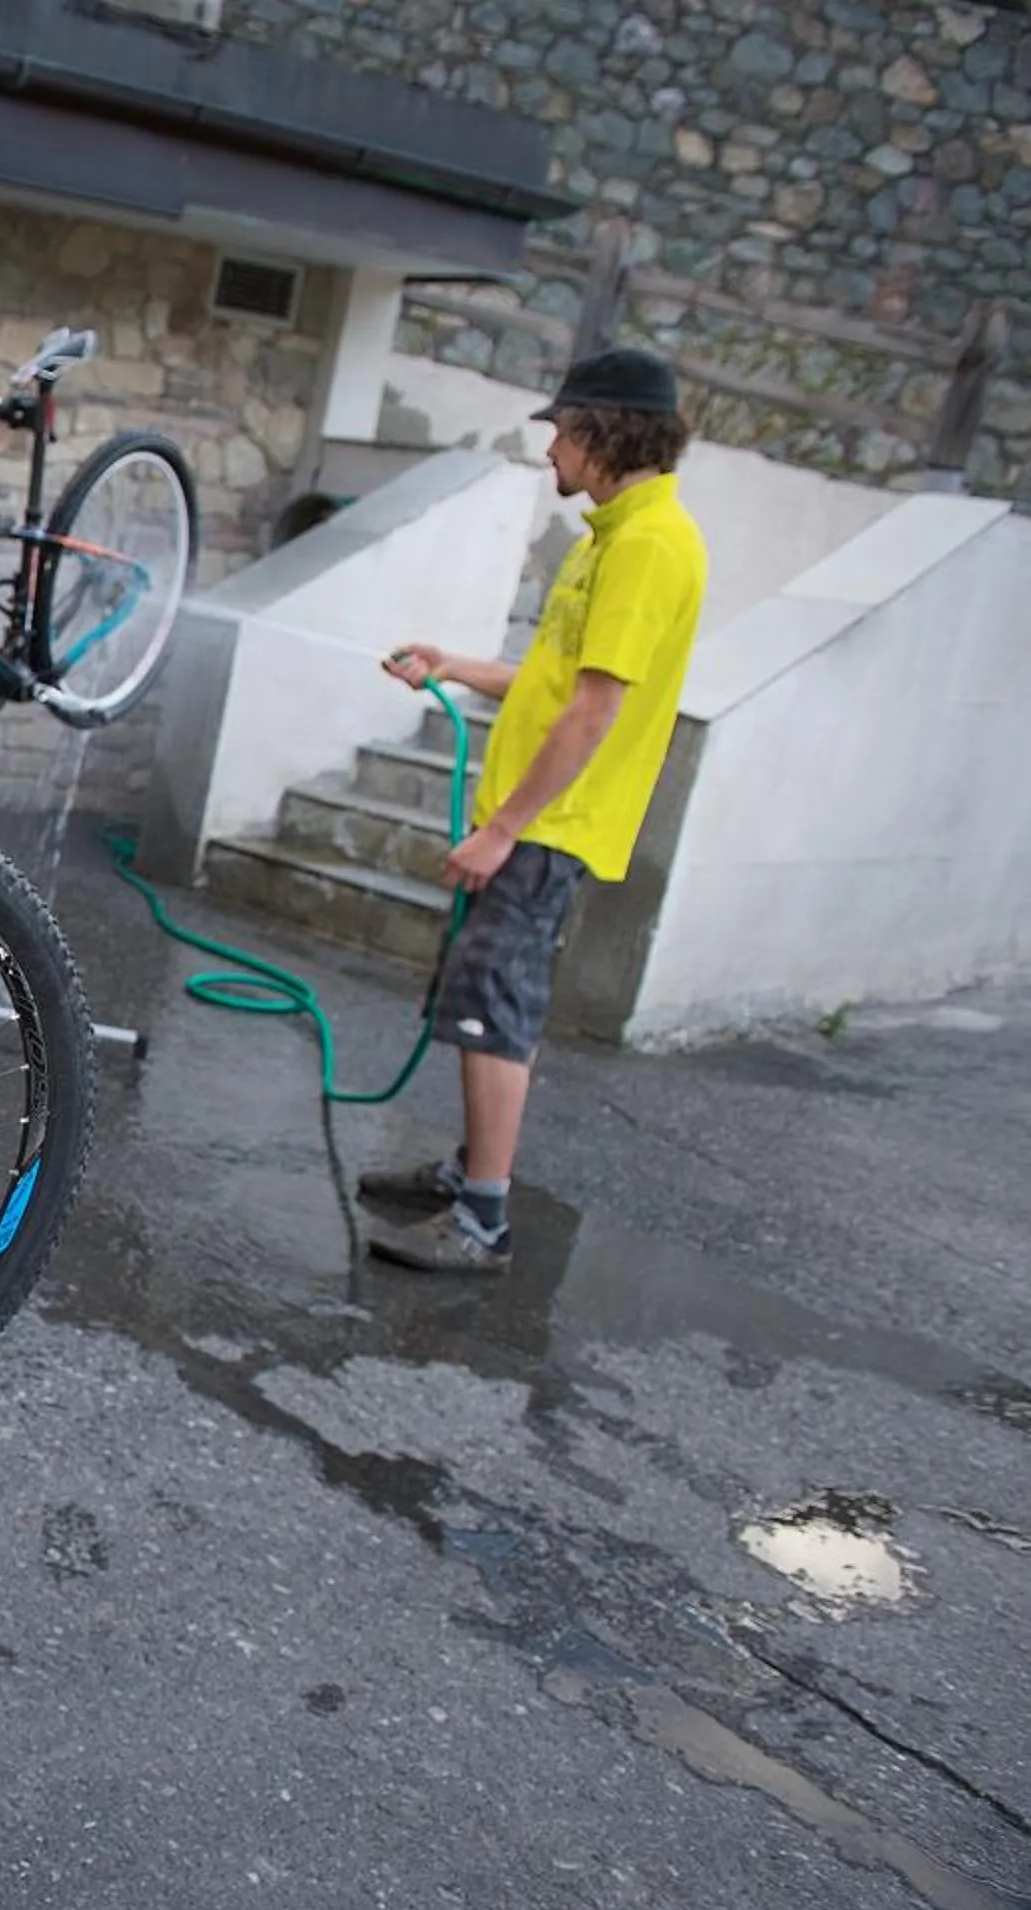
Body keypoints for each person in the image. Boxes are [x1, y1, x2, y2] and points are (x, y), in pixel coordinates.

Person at [360, 348, 709, 1274]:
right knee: (482, 1001)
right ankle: (471, 1168)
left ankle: (483, 1220)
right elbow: (560, 679)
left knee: (494, 1015)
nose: (550, 448)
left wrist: (504, 828)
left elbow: (598, 710)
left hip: (549, 830)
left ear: (603, 431)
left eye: (560, 430)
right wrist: (453, 664)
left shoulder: (646, 547)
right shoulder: (613, 538)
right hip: (536, 824)